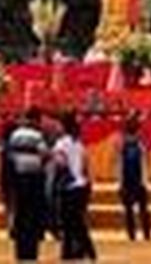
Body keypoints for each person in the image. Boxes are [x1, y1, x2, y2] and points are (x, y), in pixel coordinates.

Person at [8, 109, 50, 263]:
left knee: (20, 214)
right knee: (32, 215)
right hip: (33, 179)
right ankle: (31, 251)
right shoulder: (37, 136)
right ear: (36, 120)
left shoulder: (15, 135)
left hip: (18, 178)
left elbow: (10, 155)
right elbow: (45, 154)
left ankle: (20, 251)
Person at [53, 112, 96, 261]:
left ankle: (73, 252)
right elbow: (85, 164)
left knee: (68, 223)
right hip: (81, 186)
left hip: (68, 187)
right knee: (77, 222)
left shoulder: (61, 143)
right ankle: (82, 251)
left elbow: (61, 164)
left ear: (63, 126)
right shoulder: (78, 142)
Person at [116, 113, 151, 242]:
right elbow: (120, 164)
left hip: (135, 180)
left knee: (140, 210)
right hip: (130, 181)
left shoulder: (139, 144)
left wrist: (144, 181)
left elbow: (144, 164)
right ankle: (135, 234)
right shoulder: (124, 145)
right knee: (133, 211)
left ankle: (142, 234)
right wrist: (120, 182)